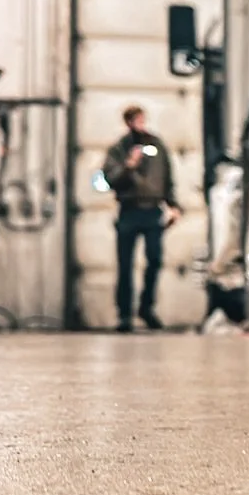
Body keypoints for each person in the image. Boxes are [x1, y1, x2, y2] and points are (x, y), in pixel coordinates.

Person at [101, 105, 179, 332]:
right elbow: (110, 178)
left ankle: (147, 308)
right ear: (128, 122)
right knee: (125, 264)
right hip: (129, 210)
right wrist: (129, 166)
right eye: (136, 120)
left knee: (154, 260)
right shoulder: (119, 148)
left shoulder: (156, 145)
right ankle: (125, 314)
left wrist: (173, 205)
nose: (140, 124)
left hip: (152, 210)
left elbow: (166, 176)